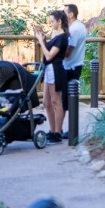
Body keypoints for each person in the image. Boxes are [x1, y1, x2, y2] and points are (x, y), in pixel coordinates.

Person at [35, 10, 69, 145]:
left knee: (56, 102)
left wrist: (41, 42)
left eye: (52, 21)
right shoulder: (55, 36)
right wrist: (43, 40)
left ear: (59, 21)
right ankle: (52, 130)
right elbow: (48, 52)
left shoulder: (62, 37)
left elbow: (49, 56)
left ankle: (58, 132)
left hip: (55, 70)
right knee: (46, 103)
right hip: (49, 70)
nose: (51, 24)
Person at [60, 4, 87, 139]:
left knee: (65, 99)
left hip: (71, 66)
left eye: (64, 12)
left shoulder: (75, 29)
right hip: (74, 65)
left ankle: (67, 131)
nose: (62, 14)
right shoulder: (77, 26)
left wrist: (53, 52)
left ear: (71, 14)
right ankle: (64, 130)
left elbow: (68, 51)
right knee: (66, 98)